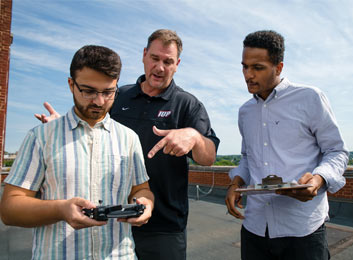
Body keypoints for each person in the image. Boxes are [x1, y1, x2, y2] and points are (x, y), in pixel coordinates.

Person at [34, 29, 220, 260]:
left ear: (177, 64)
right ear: (144, 55)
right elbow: (87, 123)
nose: (160, 67)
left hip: (163, 227)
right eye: (154, 58)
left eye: (168, 61)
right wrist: (58, 125)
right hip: (109, 222)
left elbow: (208, 157)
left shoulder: (187, 104)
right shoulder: (117, 96)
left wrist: (194, 136)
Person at [1, 45, 154, 260]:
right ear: (71, 84)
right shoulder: (40, 137)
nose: (99, 101)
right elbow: (10, 208)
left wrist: (145, 204)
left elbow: (141, 190)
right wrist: (61, 209)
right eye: (89, 91)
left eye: (108, 92)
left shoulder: (129, 138)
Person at [225, 30, 349, 260]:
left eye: (258, 67)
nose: (248, 75)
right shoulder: (245, 112)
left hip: (303, 229)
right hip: (254, 228)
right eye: (244, 66)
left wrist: (318, 178)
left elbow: (336, 151)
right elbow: (246, 156)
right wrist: (236, 182)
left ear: (279, 67)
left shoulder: (310, 97)